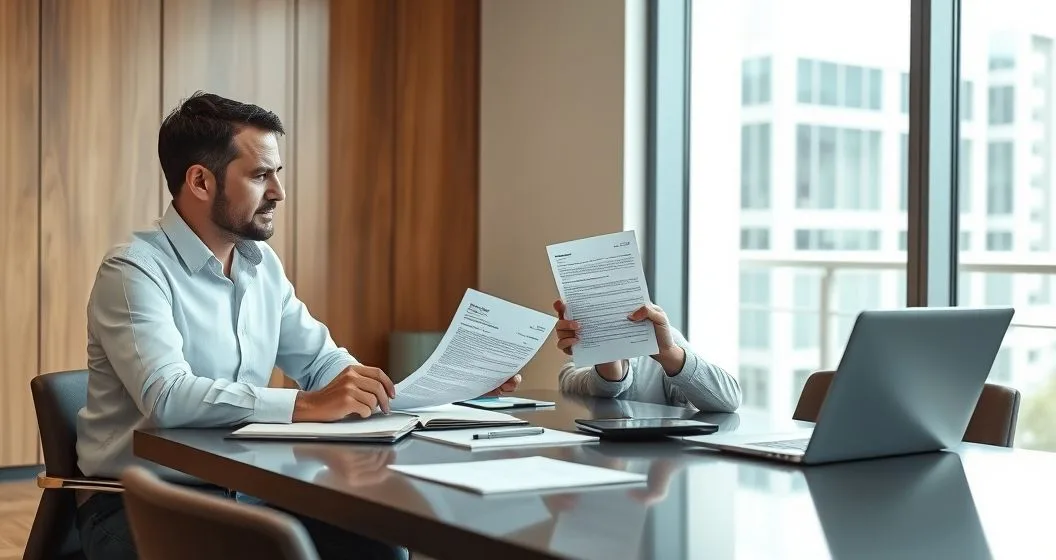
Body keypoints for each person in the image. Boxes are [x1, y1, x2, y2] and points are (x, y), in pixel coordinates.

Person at [74, 91, 520, 560]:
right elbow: (166, 396)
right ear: (201, 181)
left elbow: (322, 361)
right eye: (260, 175)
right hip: (139, 507)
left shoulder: (260, 263)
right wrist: (308, 405)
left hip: (246, 493)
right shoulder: (134, 270)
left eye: (276, 175)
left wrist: (445, 389)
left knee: (380, 545)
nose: (278, 192)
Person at [553, 299, 741, 412]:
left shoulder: (666, 340)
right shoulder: (578, 362)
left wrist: (668, 353)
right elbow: (574, 381)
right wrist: (608, 357)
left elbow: (729, 400)